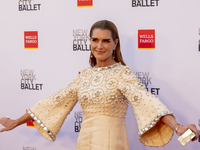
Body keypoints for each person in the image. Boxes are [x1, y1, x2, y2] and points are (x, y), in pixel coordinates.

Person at [0, 20, 199, 150]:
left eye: (105, 40)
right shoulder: (84, 75)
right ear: (89, 41)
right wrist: (15, 122)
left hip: (112, 143)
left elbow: (147, 102)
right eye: (95, 40)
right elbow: (54, 101)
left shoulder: (123, 73)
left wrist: (178, 126)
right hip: (84, 142)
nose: (99, 46)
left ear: (115, 43)